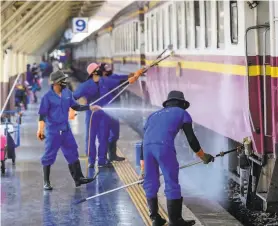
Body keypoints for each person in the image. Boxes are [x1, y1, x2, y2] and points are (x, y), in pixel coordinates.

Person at [139, 91, 215, 226]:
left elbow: (144, 139)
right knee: (171, 182)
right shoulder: (182, 113)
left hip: (146, 148)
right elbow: (191, 139)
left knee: (150, 182)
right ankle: (175, 221)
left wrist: (143, 167)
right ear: (181, 104)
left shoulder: (153, 115)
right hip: (163, 147)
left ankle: (155, 218)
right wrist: (203, 156)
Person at [37, 70, 101, 190]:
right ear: (56, 83)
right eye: (62, 81)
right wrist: (40, 130)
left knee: (72, 152)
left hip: (66, 130)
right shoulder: (47, 97)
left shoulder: (67, 92)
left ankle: (79, 178)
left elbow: (75, 106)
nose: (65, 83)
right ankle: (46, 181)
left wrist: (89, 107)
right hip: (53, 132)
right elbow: (42, 115)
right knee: (49, 156)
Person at [73, 63, 143, 168]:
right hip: (92, 115)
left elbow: (120, 82)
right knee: (90, 138)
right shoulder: (85, 85)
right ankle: (91, 161)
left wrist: (132, 78)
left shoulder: (105, 81)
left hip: (104, 115)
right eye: (97, 68)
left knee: (103, 137)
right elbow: (74, 97)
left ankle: (102, 160)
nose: (100, 69)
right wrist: (80, 104)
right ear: (93, 72)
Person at [100, 63, 128, 162]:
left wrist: (134, 75)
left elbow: (122, 77)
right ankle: (104, 158)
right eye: (105, 71)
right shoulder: (104, 81)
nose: (107, 73)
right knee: (105, 135)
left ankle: (112, 155)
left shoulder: (111, 77)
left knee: (115, 133)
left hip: (114, 111)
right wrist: (129, 80)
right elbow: (119, 82)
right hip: (106, 111)